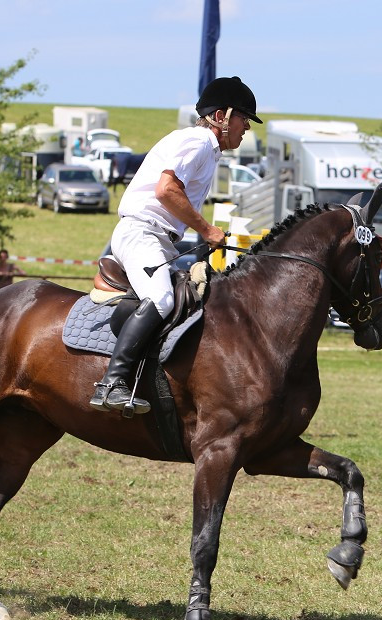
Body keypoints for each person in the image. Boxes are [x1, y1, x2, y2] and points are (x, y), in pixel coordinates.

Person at [89, 76, 262, 414]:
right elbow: (166, 190)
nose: (246, 129)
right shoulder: (197, 142)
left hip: (160, 240)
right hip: (142, 232)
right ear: (222, 116)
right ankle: (111, 383)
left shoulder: (208, 151)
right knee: (162, 298)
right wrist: (207, 230)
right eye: (243, 119)